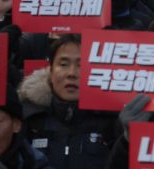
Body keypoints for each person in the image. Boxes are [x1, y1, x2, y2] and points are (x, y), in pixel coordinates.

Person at [18, 35, 117, 169]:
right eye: (63, 64)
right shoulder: (27, 118)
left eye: (81, 65)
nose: (72, 73)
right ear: (51, 72)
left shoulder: (113, 120)